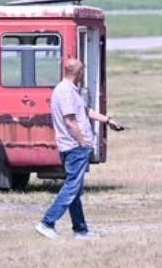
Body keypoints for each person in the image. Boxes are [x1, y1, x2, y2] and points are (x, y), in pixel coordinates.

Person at [35, 58, 125, 240]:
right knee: (71, 187)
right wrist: (83, 142)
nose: (83, 75)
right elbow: (70, 120)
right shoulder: (65, 92)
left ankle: (80, 230)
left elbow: (84, 111)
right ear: (77, 73)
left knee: (75, 190)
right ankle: (47, 223)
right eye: (82, 72)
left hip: (74, 146)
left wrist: (108, 120)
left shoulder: (70, 90)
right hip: (74, 146)